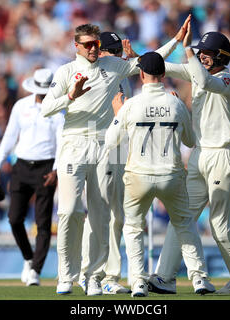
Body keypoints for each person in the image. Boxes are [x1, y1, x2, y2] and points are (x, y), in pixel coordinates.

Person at [40, 21, 190, 296]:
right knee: (70, 211)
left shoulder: (113, 67)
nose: (93, 49)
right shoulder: (66, 72)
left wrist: (177, 39)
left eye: (96, 44)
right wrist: (69, 97)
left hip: (105, 145)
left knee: (101, 214)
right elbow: (46, 109)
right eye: (87, 45)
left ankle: (95, 277)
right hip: (74, 143)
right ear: (77, 47)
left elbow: (151, 62)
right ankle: (66, 275)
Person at [148, 21, 230, 294]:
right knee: (181, 217)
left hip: (223, 155)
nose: (201, 56)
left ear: (221, 56)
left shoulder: (227, 79)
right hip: (199, 155)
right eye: (200, 53)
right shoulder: (196, 71)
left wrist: (187, 51)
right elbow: (158, 67)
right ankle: (165, 278)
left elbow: (206, 81)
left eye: (206, 53)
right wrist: (147, 56)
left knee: (219, 225)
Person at [105, 51, 215, 297]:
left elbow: (111, 141)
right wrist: (179, 110)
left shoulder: (131, 104)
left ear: (141, 74)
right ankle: (199, 279)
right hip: (171, 175)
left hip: (138, 176)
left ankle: (139, 283)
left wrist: (118, 114)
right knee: (185, 224)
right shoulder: (175, 103)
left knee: (133, 228)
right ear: (164, 75)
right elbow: (190, 141)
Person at [0, 68, 64, 286]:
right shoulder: (21, 106)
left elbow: (61, 142)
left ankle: (35, 271)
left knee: (43, 224)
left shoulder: (60, 110)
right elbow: (10, 136)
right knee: (14, 218)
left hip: (46, 168)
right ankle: (28, 258)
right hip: (21, 165)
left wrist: (56, 170)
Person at [79, 31, 132, 295]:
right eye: (114, 52)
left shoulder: (119, 70)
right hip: (107, 146)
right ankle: (101, 274)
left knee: (111, 213)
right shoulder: (103, 73)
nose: (118, 55)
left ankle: (90, 272)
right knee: (108, 214)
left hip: (117, 147)